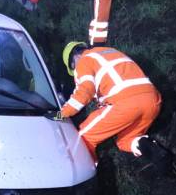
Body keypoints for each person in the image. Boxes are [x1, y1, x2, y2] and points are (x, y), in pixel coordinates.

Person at [57, 41, 169, 169]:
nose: (75, 71)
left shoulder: (84, 61)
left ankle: (91, 175)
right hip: (153, 100)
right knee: (125, 141)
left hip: (125, 102)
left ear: (74, 59)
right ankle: (151, 149)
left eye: (73, 68)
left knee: (83, 137)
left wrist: (60, 115)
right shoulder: (111, 52)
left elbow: (83, 94)